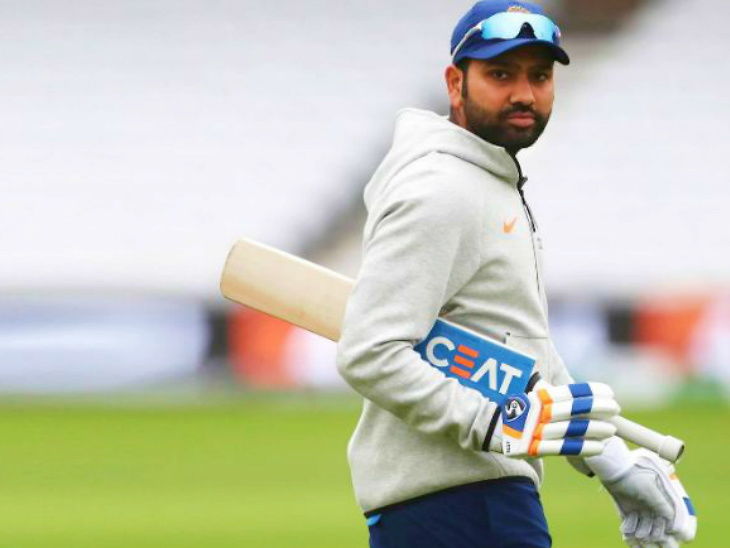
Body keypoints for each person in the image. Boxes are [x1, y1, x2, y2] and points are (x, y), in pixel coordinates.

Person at [336, 2, 696, 547]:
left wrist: (615, 462)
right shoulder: (442, 192)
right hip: (457, 503)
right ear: (455, 83)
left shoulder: (486, 183)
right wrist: (494, 423)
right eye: (501, 74)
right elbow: (370, 352)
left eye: (540, 76)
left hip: (472, 498)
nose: (525, 93)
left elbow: (517, 356)